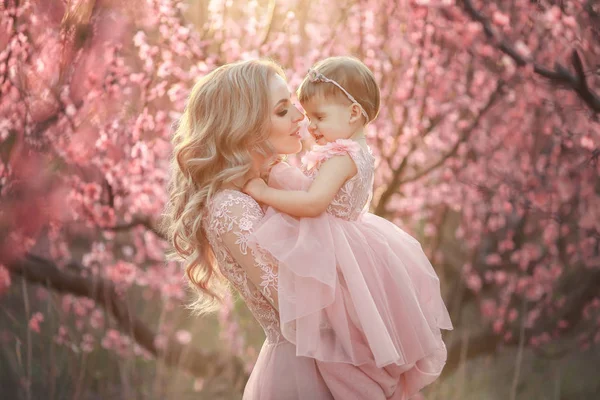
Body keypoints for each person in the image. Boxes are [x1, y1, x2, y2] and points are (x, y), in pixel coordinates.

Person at [164, 58, 448, 400]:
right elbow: (298, 308)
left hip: (331, 358)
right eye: (283, 111)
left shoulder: (275, 187)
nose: (301, 117)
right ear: (244, 126)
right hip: (311, 370)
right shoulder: (230, 207)